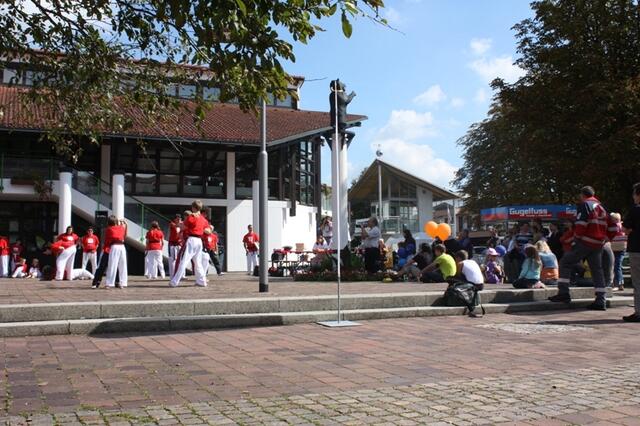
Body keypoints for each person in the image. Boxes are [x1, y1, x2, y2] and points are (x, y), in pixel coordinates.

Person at [549, 186, 617, 310]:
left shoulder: (585, 205)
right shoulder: (602, 207)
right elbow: (614, 227)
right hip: (598, 244)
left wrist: (576, 239)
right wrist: (606, 239)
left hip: (585, 242)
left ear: (582, 195)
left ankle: (563, 293)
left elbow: (581, 224)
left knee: (565, 262)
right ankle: (601, 300)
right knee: (597, 270)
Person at [171, 200, 209, 287]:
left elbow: (183, 227)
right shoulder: (203, 219)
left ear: (193, 207)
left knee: (184, 261)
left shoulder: (191, 217)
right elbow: (208, 230)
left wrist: (178, 225)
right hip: (199, 241)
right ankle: (202, 281)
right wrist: (200, 228)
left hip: (191, 239)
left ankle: (174, 282)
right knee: (198, 262)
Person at [622, 183, 640, 322]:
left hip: (637, 249)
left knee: (638, 283)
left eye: (634, 194)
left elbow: (626, 229)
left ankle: (639, 312)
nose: (633, 197)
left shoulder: (635, 210)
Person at [104, 216, 128, 289]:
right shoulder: (121, 227)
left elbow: (107, 240)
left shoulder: (109, 229)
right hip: (121, 246)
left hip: (115, 246)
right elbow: (125, 236)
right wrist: (125, 224)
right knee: (122, 265)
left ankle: (110, 283)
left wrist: (106, 247)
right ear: (115, 222)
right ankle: (122, 283)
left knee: (113, 264)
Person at [610, 213, 627, 291]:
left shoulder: (616, 226)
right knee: (617, 266)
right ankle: (619, 283)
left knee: (616, 266)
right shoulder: (622, 226)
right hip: (619, 248)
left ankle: (618, 284)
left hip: (618, 249)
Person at [168, 214, 183, 279]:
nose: (179, 220)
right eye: (177, 218)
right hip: (172, 244)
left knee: (181, 259)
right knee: (172, 260)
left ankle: (181, 275)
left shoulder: (181, 225)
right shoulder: (172, 224)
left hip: (179, 244)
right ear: (174, 219)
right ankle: (172, 275)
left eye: (179, 218)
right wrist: (182, 223)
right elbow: (176, 225)